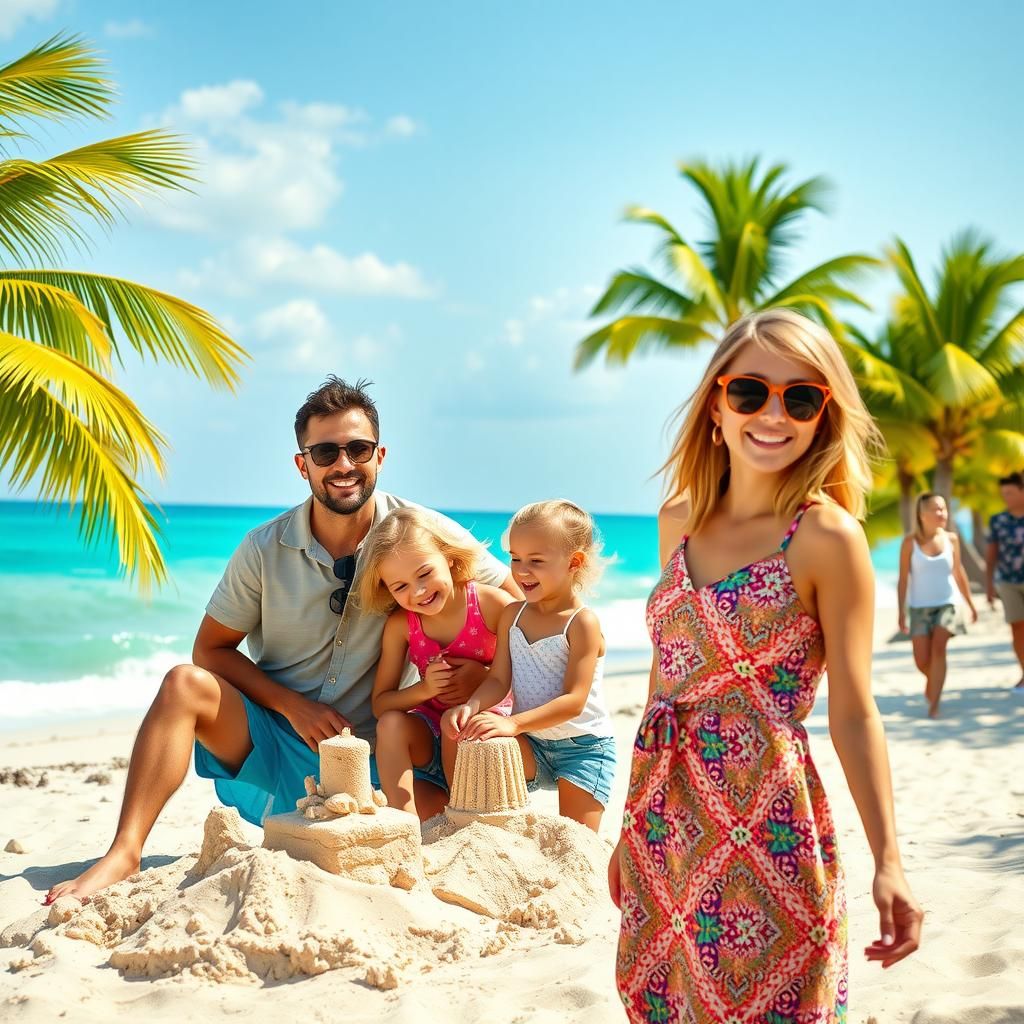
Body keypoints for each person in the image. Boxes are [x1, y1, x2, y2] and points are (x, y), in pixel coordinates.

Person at [46, 376, 519, 905]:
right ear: (303, 465)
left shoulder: (422, 533)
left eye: (358, 449)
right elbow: (210, 651)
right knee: (184, 683)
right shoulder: (263, 548)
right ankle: (125, 852)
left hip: (382, 757)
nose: (344, 464)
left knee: (440, 824)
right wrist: (292, 707)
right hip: (277, 738)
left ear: (380, 456)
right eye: (325, 452)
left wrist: (486, 677)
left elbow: (520, 608)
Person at [608, 310, 922, 1023]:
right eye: (751, 392)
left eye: (800, 398)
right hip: (667, 821)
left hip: (769, 819)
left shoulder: (826, 536)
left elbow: (854, 711)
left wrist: (890, 861)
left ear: (822, 418)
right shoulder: (678, 518)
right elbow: (667, 682)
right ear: (716, 406)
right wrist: (630, 830)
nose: (773, 414)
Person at [442, 500, 616, 833]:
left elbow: (574, 701)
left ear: (574, 562)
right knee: (477, 738)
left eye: (536, 561)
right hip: (531, 743)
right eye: (515, 558)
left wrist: (513, 723)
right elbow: (498, 680)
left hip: (583, 749)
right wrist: (470, 706)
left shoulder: (582, 623)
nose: (521, 571)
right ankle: (466, 826)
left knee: (575, 839)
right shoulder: (513, 615)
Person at [357, 507, 515, 819]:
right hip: (429, 737)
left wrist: (482, 677)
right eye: (400, 586)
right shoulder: (401, 625)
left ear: (449, 558)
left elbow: (529, 673)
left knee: (457, 724)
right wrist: (426, 689)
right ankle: (400, 823)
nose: (418, 591)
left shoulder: (494, 605)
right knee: (390, 724)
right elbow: (381, 704)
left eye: (425, 573)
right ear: (387, 589)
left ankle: (466, 816)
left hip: (484, 734)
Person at [897, 492, 977, 717]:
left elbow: (958, 572)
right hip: (919, 607)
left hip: (948, 603)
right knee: (922, 660)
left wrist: (971, 604)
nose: (942, 513)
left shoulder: (952, 539)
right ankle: (934, 682)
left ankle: (935, 704)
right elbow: (903, 580)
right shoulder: (909, 543)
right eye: (936, 509)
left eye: (944, 508)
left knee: (939, 648)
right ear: (922, 515)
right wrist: (901, 612)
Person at [985, 471, 1024, 689]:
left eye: (1010, 493)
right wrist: (989, 585)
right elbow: (991, 555)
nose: (1005, 497)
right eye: (1003, 494)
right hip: (1008, 582)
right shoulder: (998, 521)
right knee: (1017, 628)